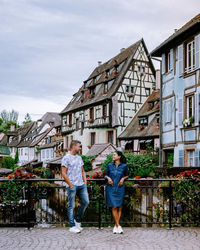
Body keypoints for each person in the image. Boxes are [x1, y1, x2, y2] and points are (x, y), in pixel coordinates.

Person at [61, 140, 89, 233]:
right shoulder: (66, 158)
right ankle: (72, 226)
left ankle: (77, 220)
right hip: (72, 185)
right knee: (71, 205)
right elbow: (63, 173)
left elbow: (83, 171)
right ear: (74, 146)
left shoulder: (79, 158)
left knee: (86, 202)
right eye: (79, 146)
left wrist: (85, 182)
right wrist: (70, 184)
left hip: (81, 185)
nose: (80, 148)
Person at [104, 151, 129, 234]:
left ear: (119, 156)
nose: (113, 156)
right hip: (111, 188)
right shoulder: (109, 165)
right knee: (114, 206)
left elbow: (127, 175)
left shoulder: (124, 166)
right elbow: (105, 175)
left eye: (114, 155)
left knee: (119, 207)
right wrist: (108, 178)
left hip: (120, 188)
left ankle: (116, 226)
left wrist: (123, 179)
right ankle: (118, 225)